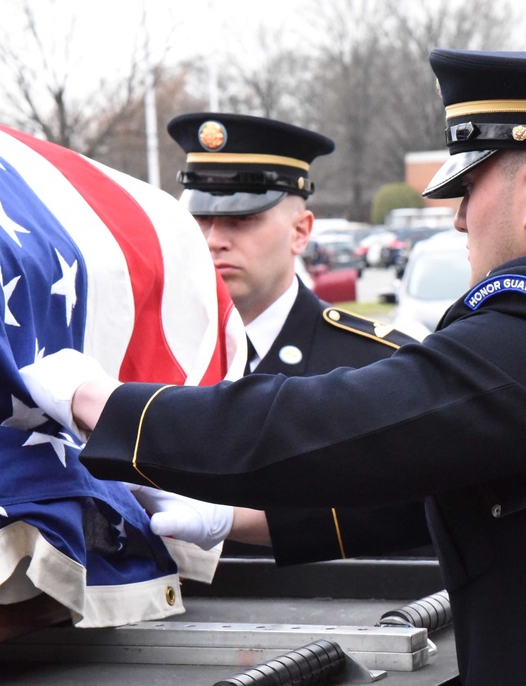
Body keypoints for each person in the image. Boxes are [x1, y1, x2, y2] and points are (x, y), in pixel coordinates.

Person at [21, 49, 526, 684]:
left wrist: (101, 402)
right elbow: (452, 482)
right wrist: (241, 519)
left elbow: (322, 425)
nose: (460, 219)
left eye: (467, 187)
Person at [166, 112, 426, 562]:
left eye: (241, 218)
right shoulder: (156, 355)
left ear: (301, 231)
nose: (214, 240)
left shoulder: (379, 366)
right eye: (201, 218)